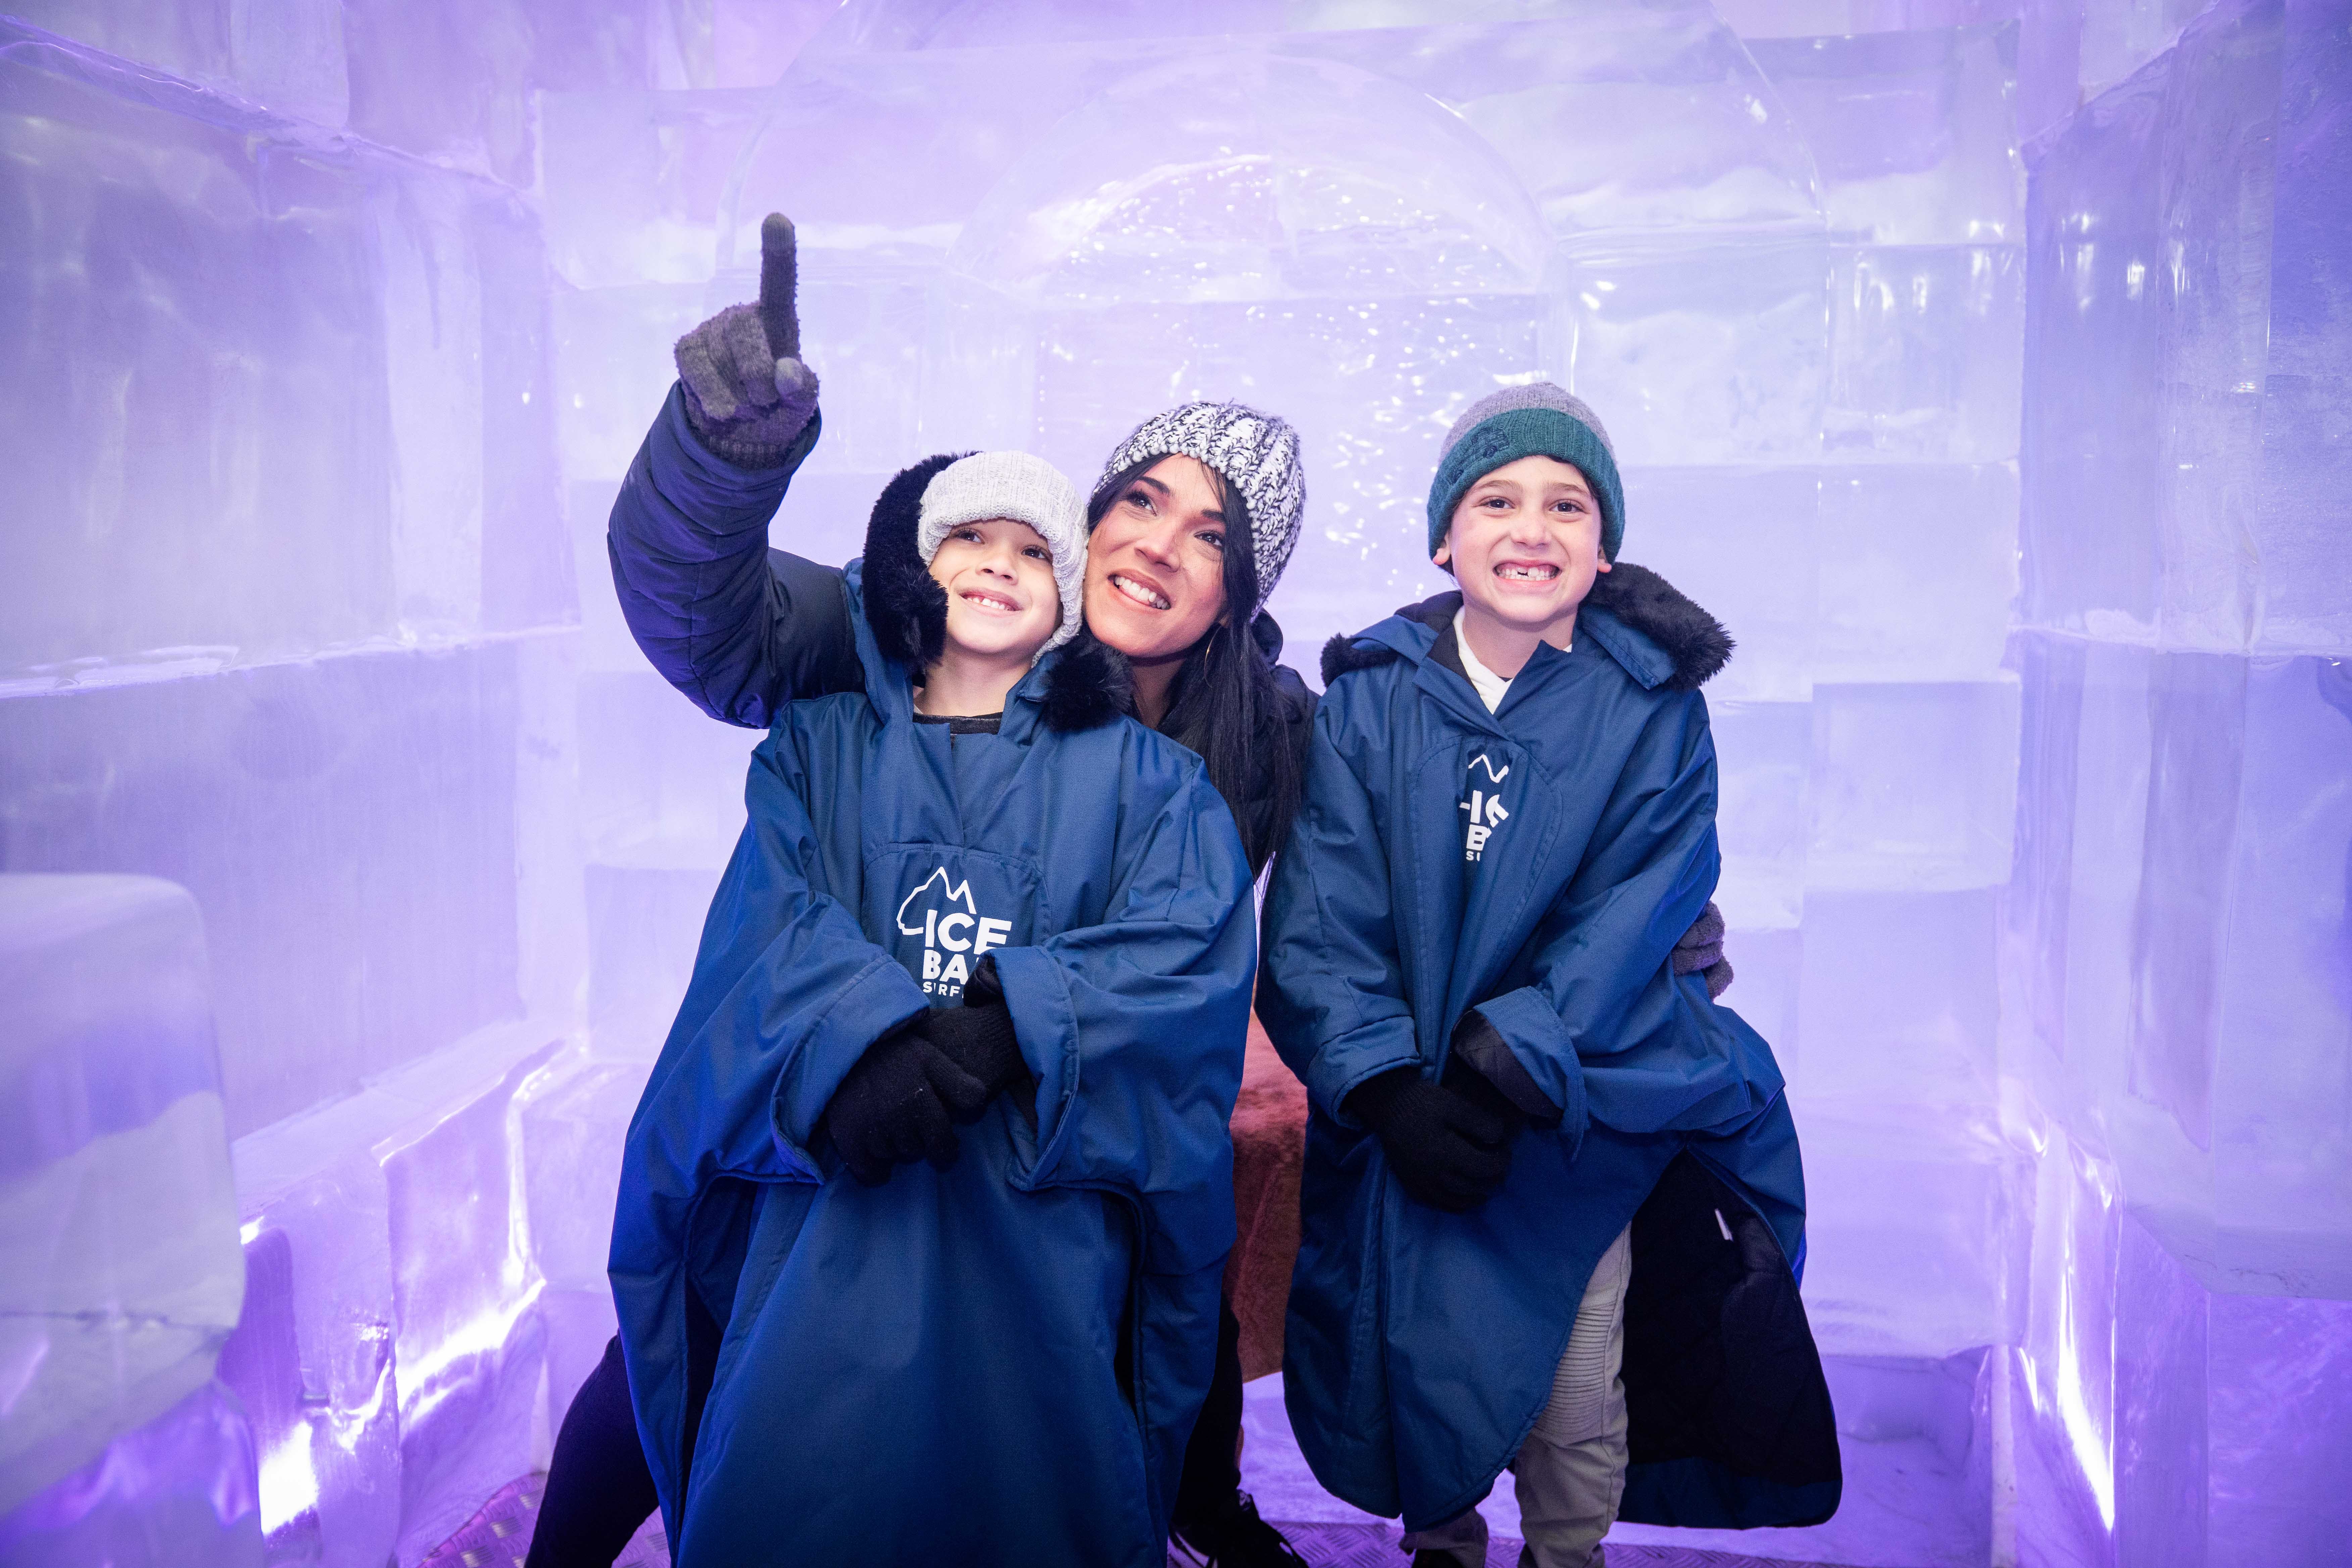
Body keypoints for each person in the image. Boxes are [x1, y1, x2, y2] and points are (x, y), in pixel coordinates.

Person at [528, 213, 1733, 1568]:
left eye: (1209, 533)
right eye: (1138, 501)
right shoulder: (915, 629)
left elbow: (1451, 797)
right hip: (859, 1098)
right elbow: (712, 620)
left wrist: (1610, 654)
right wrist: (719, 457)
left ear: (1236, 595)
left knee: (1162, 1285)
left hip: (1085, 1108)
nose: (1158, 543)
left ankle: (1188, 1498)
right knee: (723, 1335)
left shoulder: (1274, 734)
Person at [609, 446, 1257, 1564]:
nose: (999, 567)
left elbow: (1184, 957)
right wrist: (854, 1046)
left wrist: (1025, 1019)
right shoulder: (820, 746)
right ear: (915, 569)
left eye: (1031, 554)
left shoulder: (1153, 787)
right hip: (825, 1240)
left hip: (1037, 1247)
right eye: (969, 540)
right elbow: (767, 921)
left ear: (1068, 603)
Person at [1258, 386, 1842, 1568]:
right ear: (1445, 538)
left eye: (1566, 503)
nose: (1533, 528)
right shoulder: (1369, 702)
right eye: (1497, 499)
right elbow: (1323, 915)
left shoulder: (1652, 711)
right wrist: (1382, 1086)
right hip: (1417, 1105)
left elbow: (1641, 907)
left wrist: (1507, 1062)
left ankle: (1564, 1553)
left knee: (1577, 1387)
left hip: (1579, 1102)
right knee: (1424, 1358)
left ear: (1605, 544)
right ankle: (1442, 1544)